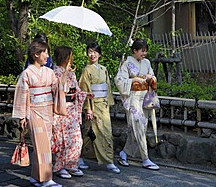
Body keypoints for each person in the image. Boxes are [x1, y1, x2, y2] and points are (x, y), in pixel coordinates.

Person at [12, 40, 69, 187]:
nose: (47, 56)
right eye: (45, 53)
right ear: (36, 55)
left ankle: (36, 176)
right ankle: (46, 179)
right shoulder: (27, 74)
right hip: (34, 111)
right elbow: (22, 95)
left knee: (43, 145)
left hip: (47, 110)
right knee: (42, 145)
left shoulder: (49, 72)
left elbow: (58, 89)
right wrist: (22, 116)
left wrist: (64, 76)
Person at [114, 38, 160, 170]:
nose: (144, 54)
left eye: (145, 51)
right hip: (133, 97)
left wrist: (151, 78)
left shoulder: (147, 63)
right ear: (134, 50)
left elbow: (153, 76)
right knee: (138, 125)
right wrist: (134, 79)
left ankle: (124, 153)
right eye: (142, 51)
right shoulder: (127, 63)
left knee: (141, 127)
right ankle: (145, 158)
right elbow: (119, 80)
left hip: (144, 97)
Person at [79, 42, 120, 174]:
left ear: (100, 54)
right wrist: (88, 109)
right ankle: (80, 157)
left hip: (103, 105)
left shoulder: (103, 69)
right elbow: (85, 89)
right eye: (90, 51)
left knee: (106, 132)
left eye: (95, 52)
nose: (92, 54)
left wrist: (108, 102)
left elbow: (107, 86)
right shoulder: (86, 70)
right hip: (93, 105)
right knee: (90, 132)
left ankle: (108, 160)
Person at [52, 46, 92, 179]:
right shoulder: (55, 72)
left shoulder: (72, 73)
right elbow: (60, 90)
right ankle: (60, 166)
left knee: (76, 139)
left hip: (72, 110)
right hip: (61, 109)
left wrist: (85, 94)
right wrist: (64, 74)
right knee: (62, 140)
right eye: (70, 56)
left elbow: (76, 89)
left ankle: (71, 164)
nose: (71, 59)